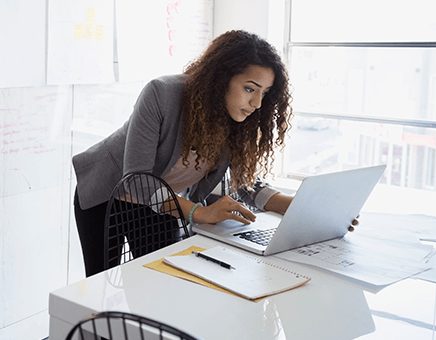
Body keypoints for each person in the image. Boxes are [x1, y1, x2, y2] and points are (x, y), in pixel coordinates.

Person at [73, 30, 357, 277]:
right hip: (106, 194)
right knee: (101, 288)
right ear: (221, 79)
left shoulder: (235, 119)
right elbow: (136, 180)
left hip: (161, 201)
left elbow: (243, 181)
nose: (257, 103)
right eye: (249, 89)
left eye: (264, 93)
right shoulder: (161, 93)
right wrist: (199, 213)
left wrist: (296, 207)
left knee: (159, 284)